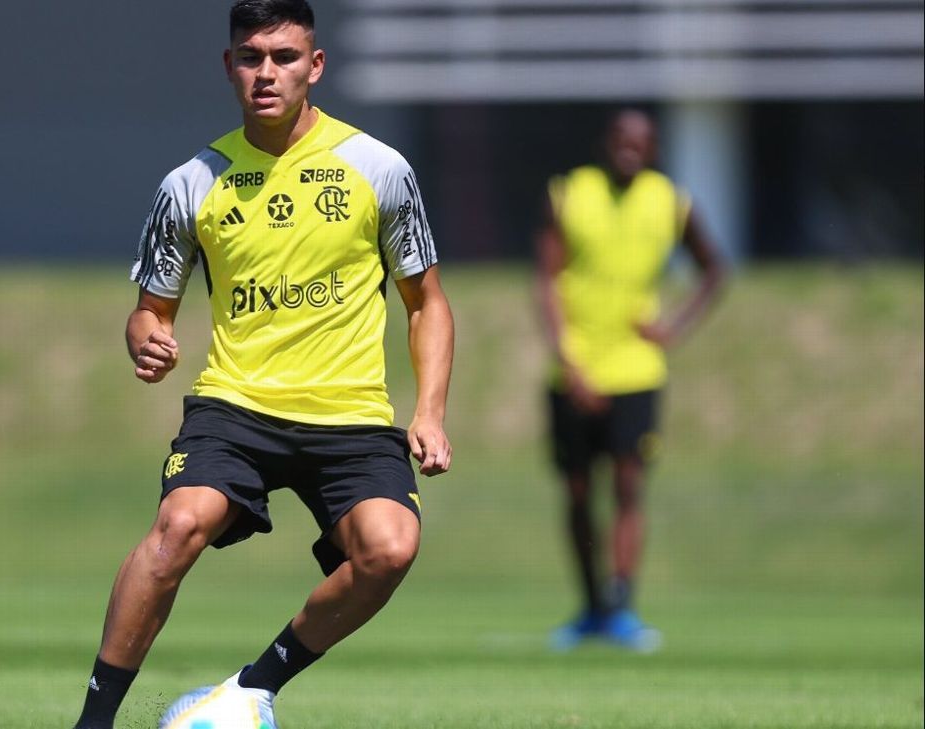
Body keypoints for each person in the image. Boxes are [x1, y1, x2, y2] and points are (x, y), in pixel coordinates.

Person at [72, 2, 454, 726]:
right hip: (235, 406)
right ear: (229, 67)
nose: (266, 72)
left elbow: (427, 303)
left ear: (315, 66)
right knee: (179, 525)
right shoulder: (191, 182)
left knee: (390, 549)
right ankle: (93, 724)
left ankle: (252, 686)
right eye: (251, 57)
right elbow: (149, 309)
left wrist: (429, 410)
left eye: (283, 56)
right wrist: (142, 336)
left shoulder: (378, 168)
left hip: (350, 416)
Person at [535, 109, 725, 652]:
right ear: (606, 143)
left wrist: (673, 328)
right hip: (572, 372)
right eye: (621, 138)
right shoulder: (570, 193)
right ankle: (590, 606)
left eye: (641, 142)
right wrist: (567, 358)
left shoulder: (671, 202)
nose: (630, 149)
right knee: (576, 494)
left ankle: (621, 605)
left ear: (654, 149)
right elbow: (545, 281)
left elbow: (714, 269)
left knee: (627, 486)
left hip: (636, 372)